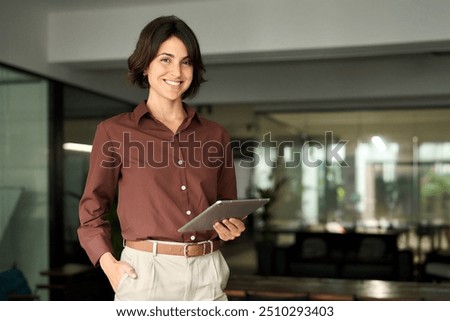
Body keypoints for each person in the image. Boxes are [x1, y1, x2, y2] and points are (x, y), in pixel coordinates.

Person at [77, 15, 245, 301]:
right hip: (146, 274)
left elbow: (225, 209)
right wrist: (109, 265)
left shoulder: (215, 135)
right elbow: (92, 210)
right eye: (165, 59)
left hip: (208, 273)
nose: (177, 71)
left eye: (186, 61)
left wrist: (230, 228)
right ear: (145, 66)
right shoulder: (113, 132)